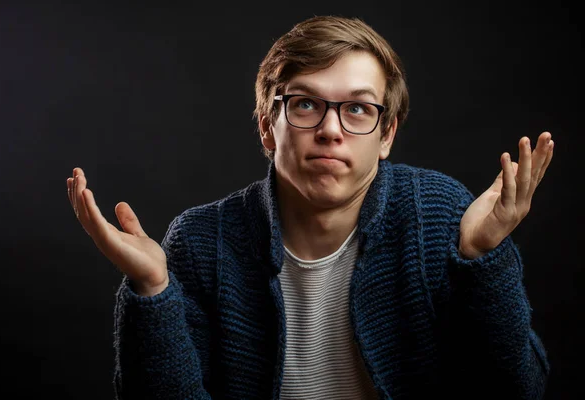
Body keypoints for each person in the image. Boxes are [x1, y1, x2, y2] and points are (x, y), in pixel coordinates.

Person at [66, 15, 553, 400]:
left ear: (387, 135)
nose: (331, 129)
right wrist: (153, 291)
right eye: (304, 104)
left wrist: (482, 260)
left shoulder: (441, 215)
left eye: (359, 108)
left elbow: (518, 390)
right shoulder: (200, 241)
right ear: (266, 126)